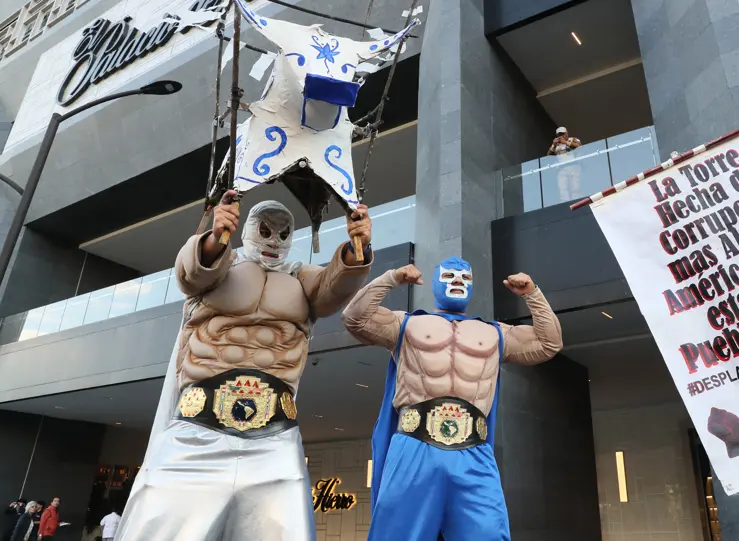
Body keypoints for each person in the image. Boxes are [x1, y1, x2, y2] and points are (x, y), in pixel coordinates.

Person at [116, 193, 373, 541]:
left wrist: (357, 247)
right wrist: (215, 237)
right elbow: (192, 272)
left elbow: (334, 287)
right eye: (265, 230)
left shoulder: (301, 279)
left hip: (274, 436)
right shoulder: (221, 266)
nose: (274, 240)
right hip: (197, 429)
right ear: (248, 229)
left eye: (283, 233)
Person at [342, 258, 563, 541]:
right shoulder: (407, 324)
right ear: (435, 281)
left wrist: (532, 294)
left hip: (473, 450)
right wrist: (392, 278)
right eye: (449, 275)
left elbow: (549, 343)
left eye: (464, 277)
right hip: (415, 443)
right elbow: (354, 318)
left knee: (488, 533)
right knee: (398, 534)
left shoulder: (495, 333)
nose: (457, 281)